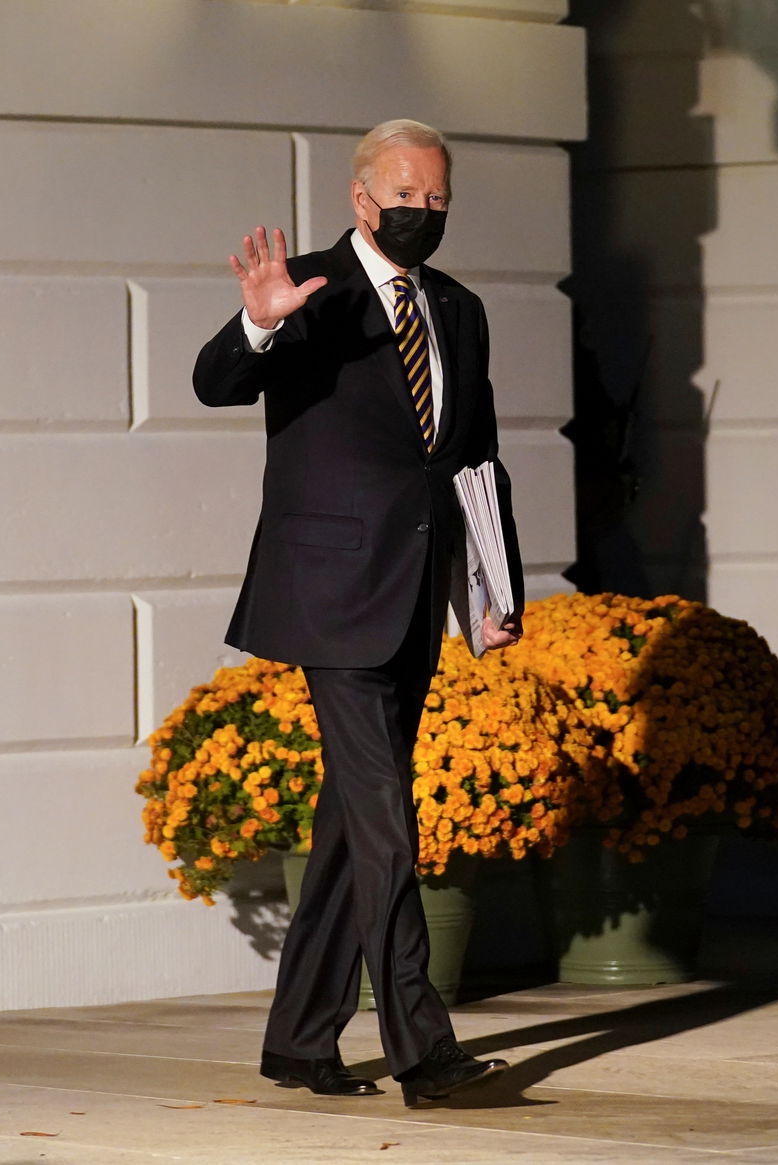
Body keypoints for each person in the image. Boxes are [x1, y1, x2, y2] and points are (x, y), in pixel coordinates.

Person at [192, 118, 525, 1107]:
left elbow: (474, 457)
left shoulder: (457, 308)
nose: (422, 211)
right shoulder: (307, 288)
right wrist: (258, 323)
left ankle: (300, 1039)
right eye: (405, 195)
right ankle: (425, 1050)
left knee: (349, 823)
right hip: (332, 596)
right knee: (386, 826)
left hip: (416, 592)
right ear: (361, 197)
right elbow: (216, 381)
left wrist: (492, 588)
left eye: (437, 198)